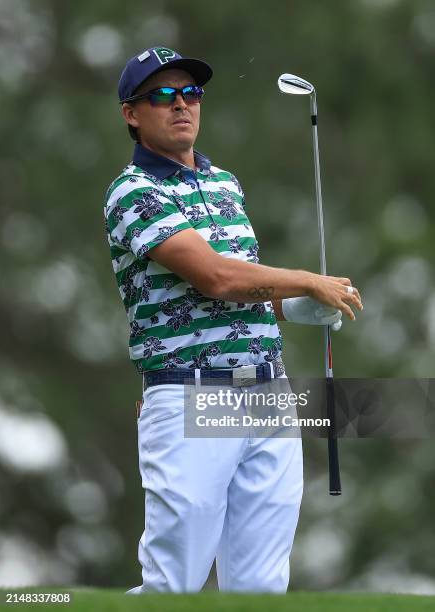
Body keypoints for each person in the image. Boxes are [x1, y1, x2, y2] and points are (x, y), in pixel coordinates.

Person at [103, 46, 362, 594]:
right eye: (163, 96)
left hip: (267, 391)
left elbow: (243, 290)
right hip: (188, 392)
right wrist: (306, 280)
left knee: (261, 589)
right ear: (132, 112)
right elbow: (216, 278)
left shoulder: (226, 184)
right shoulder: (132, 193)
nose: (181, 105)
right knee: (174, 585)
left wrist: (295, 306)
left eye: (190, 93)